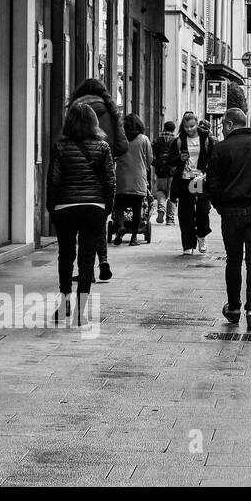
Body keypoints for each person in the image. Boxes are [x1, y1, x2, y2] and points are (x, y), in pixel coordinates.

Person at [205, 107, 251, 332]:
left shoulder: (220, 148)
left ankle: (235, 307)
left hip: (231, 213)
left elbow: (212, 184)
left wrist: (221, 207)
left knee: (233, 261)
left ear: (228, 125)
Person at [45, 102, 114, 326]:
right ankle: (80, 312)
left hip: (65, 207)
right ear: (94, 123)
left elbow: (53, 181)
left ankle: (64, 301)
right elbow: (109, 182)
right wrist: (107, 208)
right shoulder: (103, 147)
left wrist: (51, 208)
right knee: (87, 259)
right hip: (94, 208)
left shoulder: (60, 147)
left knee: (66, 255)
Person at [66, 79, 128, 278]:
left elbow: (65, 139)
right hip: (102, 172)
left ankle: (87, 270)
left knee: (80, 224)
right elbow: (122, 146)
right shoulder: (111, 110)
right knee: (99, 219)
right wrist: (106, 152)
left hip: (76, 173)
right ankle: (102, 261)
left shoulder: (75, 109)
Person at [166, 111, 213, 256]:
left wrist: (207, 174)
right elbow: (170, 160)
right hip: (186, 180)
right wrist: (179, 158)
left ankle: (201, 235)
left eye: (192, 126)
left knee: (202, 210)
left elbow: (213, 159)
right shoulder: (179, 141)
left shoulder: (206, 139)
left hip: (199, 180)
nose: (189, 129)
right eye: (186, 127)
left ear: (197, 123)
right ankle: (187, 244)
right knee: (185, 213)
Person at [111, 113, 152, 250]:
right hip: (138, 179)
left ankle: (121, 226)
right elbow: (150, 159)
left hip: (122, 177)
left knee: (119, 206)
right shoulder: (144, 139)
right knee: (137, 209)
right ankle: (134, 237)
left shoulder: (120, 139)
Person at [152, 121, 179, 224]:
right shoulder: (176, 141)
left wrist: (157, 165)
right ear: (173, 129)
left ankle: (161, 209)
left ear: (163, 128)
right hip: (173, 172)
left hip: (161, 172)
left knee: (161, 191)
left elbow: (152, 157)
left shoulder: (156, 141)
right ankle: (170, 219)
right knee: (172, 194)